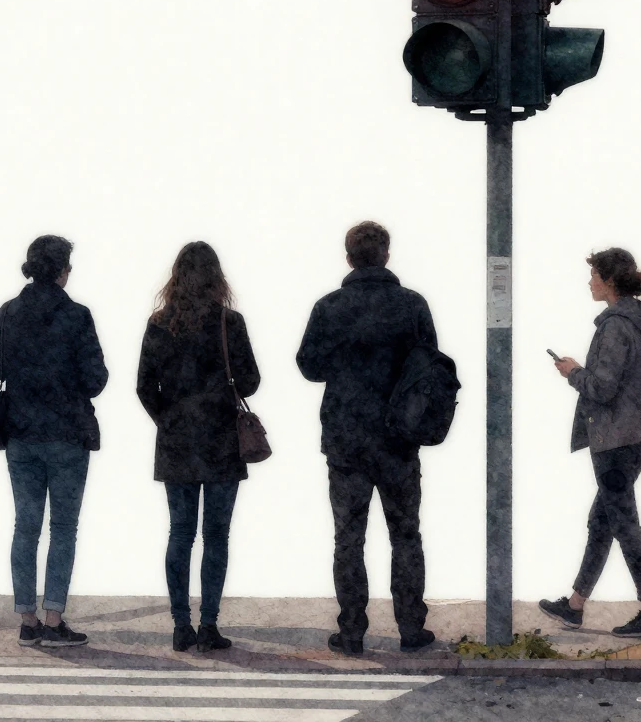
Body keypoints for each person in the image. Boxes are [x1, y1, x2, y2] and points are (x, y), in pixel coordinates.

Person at [296, 221, 438, 656]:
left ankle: (352, 632)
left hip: (346, 439)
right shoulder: (412, 305)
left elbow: (309, 366)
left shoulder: (329, 307)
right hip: (398, 437)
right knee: (406, 534)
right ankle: (411, 628)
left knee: (348, 538)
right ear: (386, 255)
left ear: (349, 258)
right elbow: (430, 366)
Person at [136, 241, 261, 653]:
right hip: (222, 438)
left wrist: (168, 419)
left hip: (177, 441)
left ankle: (180, 626)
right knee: (216, 536)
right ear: (215, 277)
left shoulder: (159, 323)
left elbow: (144, 386)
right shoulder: (229, 323)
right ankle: (209, 625)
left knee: (180, 533)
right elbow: (250, 381)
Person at [0, 234, 108, 648]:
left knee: (26, 526)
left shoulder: (8, 312)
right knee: (63, 528)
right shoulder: (77, 315)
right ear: (61, 271)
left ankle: (27, 619)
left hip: (21, 434)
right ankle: (54, 619)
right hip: (67, 435)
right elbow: (96, 379)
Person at [539, 247, 641, 638]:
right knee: (603, 521)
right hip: (635, 436)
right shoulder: (639, 321)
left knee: (624, 525)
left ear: (609, 281)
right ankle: (575, 606)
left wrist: (572, 372)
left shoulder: (614, 326)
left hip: (615, 441)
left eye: (594, 275)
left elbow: (602, 388)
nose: (589, 282)